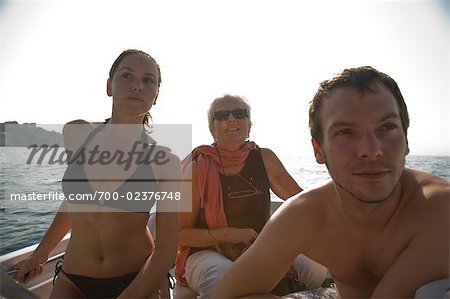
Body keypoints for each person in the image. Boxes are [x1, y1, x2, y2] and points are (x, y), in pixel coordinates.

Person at [214, 66, 450, 298]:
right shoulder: (306, 215)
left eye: (387, 127)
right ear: (318, 150)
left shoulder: (440, 208)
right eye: (345, 132)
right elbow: (228, 295)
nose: (371, 150)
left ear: (406, 140)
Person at [14, 49, 181, 298]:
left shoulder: (166, 161)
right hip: (74, 280)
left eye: (148, 80)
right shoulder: (76, 133)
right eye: (127, 76)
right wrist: (40, 253)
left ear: (156, 95)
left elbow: (167, 248)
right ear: (109, 86)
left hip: (138, 280)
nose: (137, 86)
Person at [174, 95, 328, 299]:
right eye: (222, 115)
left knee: (314, 267)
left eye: (239, 114)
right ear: (212, 128)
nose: (231, 119)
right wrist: (230, 234)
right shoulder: (196, 169)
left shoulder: (265, 158)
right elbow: (179, 234)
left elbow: (302, 203)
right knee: (224, 278)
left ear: (249, 124)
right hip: (205, 253)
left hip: (258, 247)